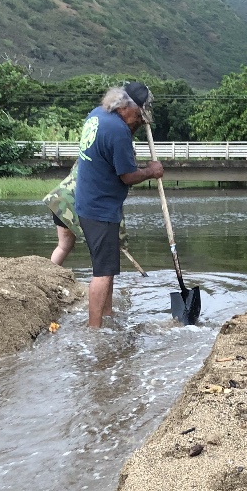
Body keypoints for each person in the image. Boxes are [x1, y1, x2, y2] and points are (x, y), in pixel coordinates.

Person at [73, 81, 163, 328]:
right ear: (126, 107)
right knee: (102, 272)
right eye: (138, 115)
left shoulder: (98, 114)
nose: (138, 120)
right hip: (99, 208)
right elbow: (128, 176)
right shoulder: (117, 131)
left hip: (90, 202)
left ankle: (108, 315)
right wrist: (151, 171)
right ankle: (94, 329)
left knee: (109, 267)